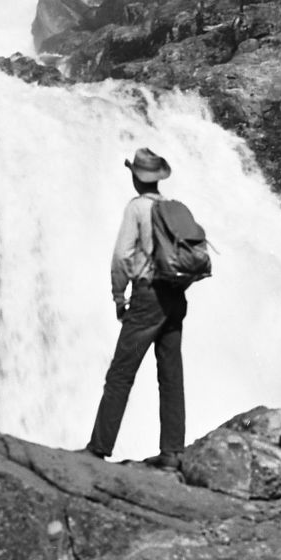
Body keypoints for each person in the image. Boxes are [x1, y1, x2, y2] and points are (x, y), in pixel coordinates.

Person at [87, 146, 187, 461]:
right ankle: (171, 452)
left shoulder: (136, 208)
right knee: (171, 375)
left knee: (121, 373)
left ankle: (99, 447)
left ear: (136, 179)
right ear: (157, 179)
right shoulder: (172, 207)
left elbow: (121, 257)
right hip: (174, 299)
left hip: (147, 300)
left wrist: (119, 296)